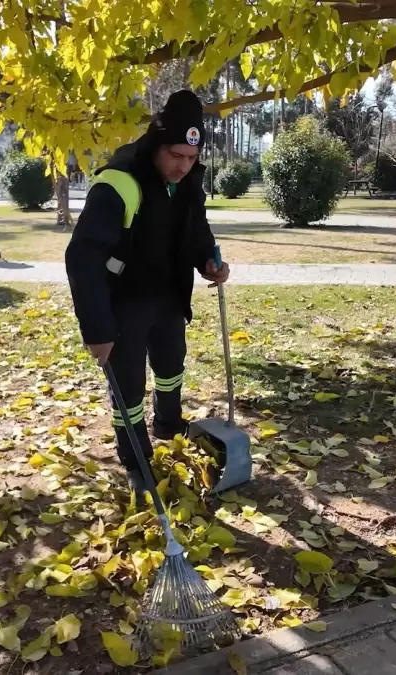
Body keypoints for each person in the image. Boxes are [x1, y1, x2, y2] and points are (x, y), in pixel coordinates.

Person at [64, 90, 231, 493]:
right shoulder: (120, 183)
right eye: (176, 156)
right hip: (125, 302)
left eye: (191, 158)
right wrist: (98, 331)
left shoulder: (188, 179)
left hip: (169, 295)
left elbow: (195, 229)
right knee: (129, 385)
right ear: (157, 143)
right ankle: (135, 456)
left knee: (172, 367)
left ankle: (169, 423)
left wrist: (209, 259)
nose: (183, 166)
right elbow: (81, 257)